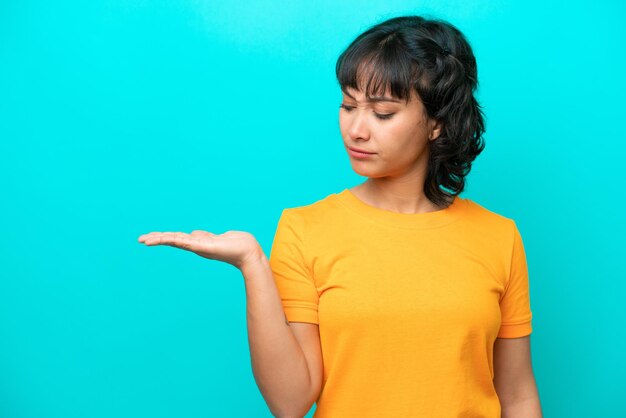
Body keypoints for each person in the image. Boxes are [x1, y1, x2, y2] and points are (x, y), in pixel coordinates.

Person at [137, 14, 542, 418]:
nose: (357, 129)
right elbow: (291, 402)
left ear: (437, 123)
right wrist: (252, 264)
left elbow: (518, 395)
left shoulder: (498, 236)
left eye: (382, 113)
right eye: (349, 106)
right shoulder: (304, 229)